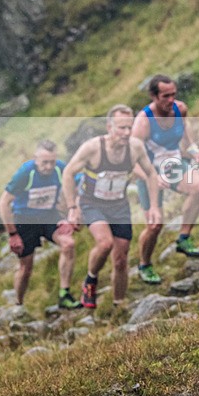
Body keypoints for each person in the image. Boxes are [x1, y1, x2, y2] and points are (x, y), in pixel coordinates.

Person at [62, 104, 162, 308]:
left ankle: (119, 304)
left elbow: (151, 174)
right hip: (92, 203)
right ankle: (90, 280)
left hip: (119, 205)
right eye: (121, 128)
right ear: (109, 127)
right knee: (105, 243)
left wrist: (154, 206)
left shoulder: (135, 148)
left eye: (129, 128)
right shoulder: (92, 148)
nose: (126, 133)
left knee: (121, 258)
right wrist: (73, 207)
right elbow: (68, 173)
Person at [132, 74, 199, 285]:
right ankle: (144, 264)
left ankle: (184, 238)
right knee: (155, 225)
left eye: (173, 94)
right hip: (149, 172)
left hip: (173, 165)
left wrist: (194, 151)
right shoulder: (143, 122)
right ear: (153, 96)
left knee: (198, 188)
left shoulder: (179, 109)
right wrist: (151, 178)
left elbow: (186, 136)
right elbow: (132, 162)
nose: (170, 100)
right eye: (165, 96)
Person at [0, 140, 81, 309]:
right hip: (25, 220)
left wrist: (73, 212)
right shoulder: (25, 173)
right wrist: (12, 234)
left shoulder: (59, 168)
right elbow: (3, 203)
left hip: (48, 216)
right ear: (36, 159)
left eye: (52, 161)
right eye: (44, 162)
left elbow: (80, 183)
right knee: (26, 268)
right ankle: (18, 304)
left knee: (68, 244)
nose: (49, 166)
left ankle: (64, 294)